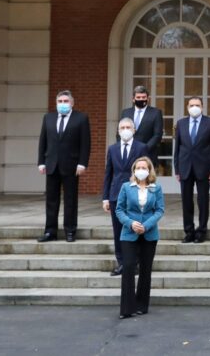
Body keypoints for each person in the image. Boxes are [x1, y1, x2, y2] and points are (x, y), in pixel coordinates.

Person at [37, 89, 91, 242]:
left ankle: (70, 231)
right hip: (51, 165)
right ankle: (50, 232)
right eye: (60, 101)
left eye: (66, 101)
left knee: (70, 200)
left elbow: (85, 144)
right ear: (56, 103)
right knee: (51, 200)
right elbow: (43, 141)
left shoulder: (81, 118)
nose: (63, 104)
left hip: (72, 165)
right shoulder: (48, 118)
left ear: (72, 103)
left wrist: (82, 163)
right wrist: (41, 162)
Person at [115, 156, 165, 319]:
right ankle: (127, 308)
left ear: (149, 170)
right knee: (128, 267)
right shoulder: (126, 187)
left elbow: (159, 210)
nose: (141, 170)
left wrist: (147, 225)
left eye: (144, 168)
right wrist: (131, 223)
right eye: (138, 168)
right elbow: (119, 210)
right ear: (134, 171)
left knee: (145, 269)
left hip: (149, 234)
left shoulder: (155, 188)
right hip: (129, 233)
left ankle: (141, 305)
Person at [101, 117, 148, 275]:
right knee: (118, 231)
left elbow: (147, 171)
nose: (125, 130)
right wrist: (105, 197)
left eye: (129, 127)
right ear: (118, 131)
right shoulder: (112, 149)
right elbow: (108, 174)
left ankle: (135, 263)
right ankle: (122, 263)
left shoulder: (141, 147)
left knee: (136, 229)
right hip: (115, 195)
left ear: (134, 130)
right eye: (122, 127)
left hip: (135, 195)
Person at [173, 96, 210, 243]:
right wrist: (177, 169)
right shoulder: (181, 123)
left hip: (204, 167)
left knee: (203, 200)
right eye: (192, 105)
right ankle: (189, 231)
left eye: (197, 105)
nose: (194, 107)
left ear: (202, 107)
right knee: (186, 201)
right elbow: (178, 148)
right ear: (187, 107)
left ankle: (201, 231)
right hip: (185, 167)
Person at [120, 85, 163, 167]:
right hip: (128, 155)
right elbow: (119, 133)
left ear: (148, 99)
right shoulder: (125, 112)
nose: (141, 99)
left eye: (144, 97)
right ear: (133, 99)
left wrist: (143, 149)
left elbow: (157, 135)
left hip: (148, 154)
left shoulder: (156, 113)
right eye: (138, 97)